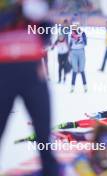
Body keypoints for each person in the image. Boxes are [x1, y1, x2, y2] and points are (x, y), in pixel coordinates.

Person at [0, 0, 59, 175]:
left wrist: (43, 16)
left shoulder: (36, 12)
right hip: (4, 74)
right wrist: (16, 11)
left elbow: (47, 35)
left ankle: (50, 171)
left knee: (43, 132)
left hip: (33, 75)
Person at [69, 22, 88, 93]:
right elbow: (70, 44)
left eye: (76, 26)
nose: (75, 28)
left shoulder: (82, 33)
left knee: (82, 69)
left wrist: (82, 38)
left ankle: (85, 86)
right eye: (74, 26)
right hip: (73, 52)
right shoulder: (71, 34)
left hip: (81, 52)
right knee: (75, 70)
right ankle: (72, 87)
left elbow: (86, 43)